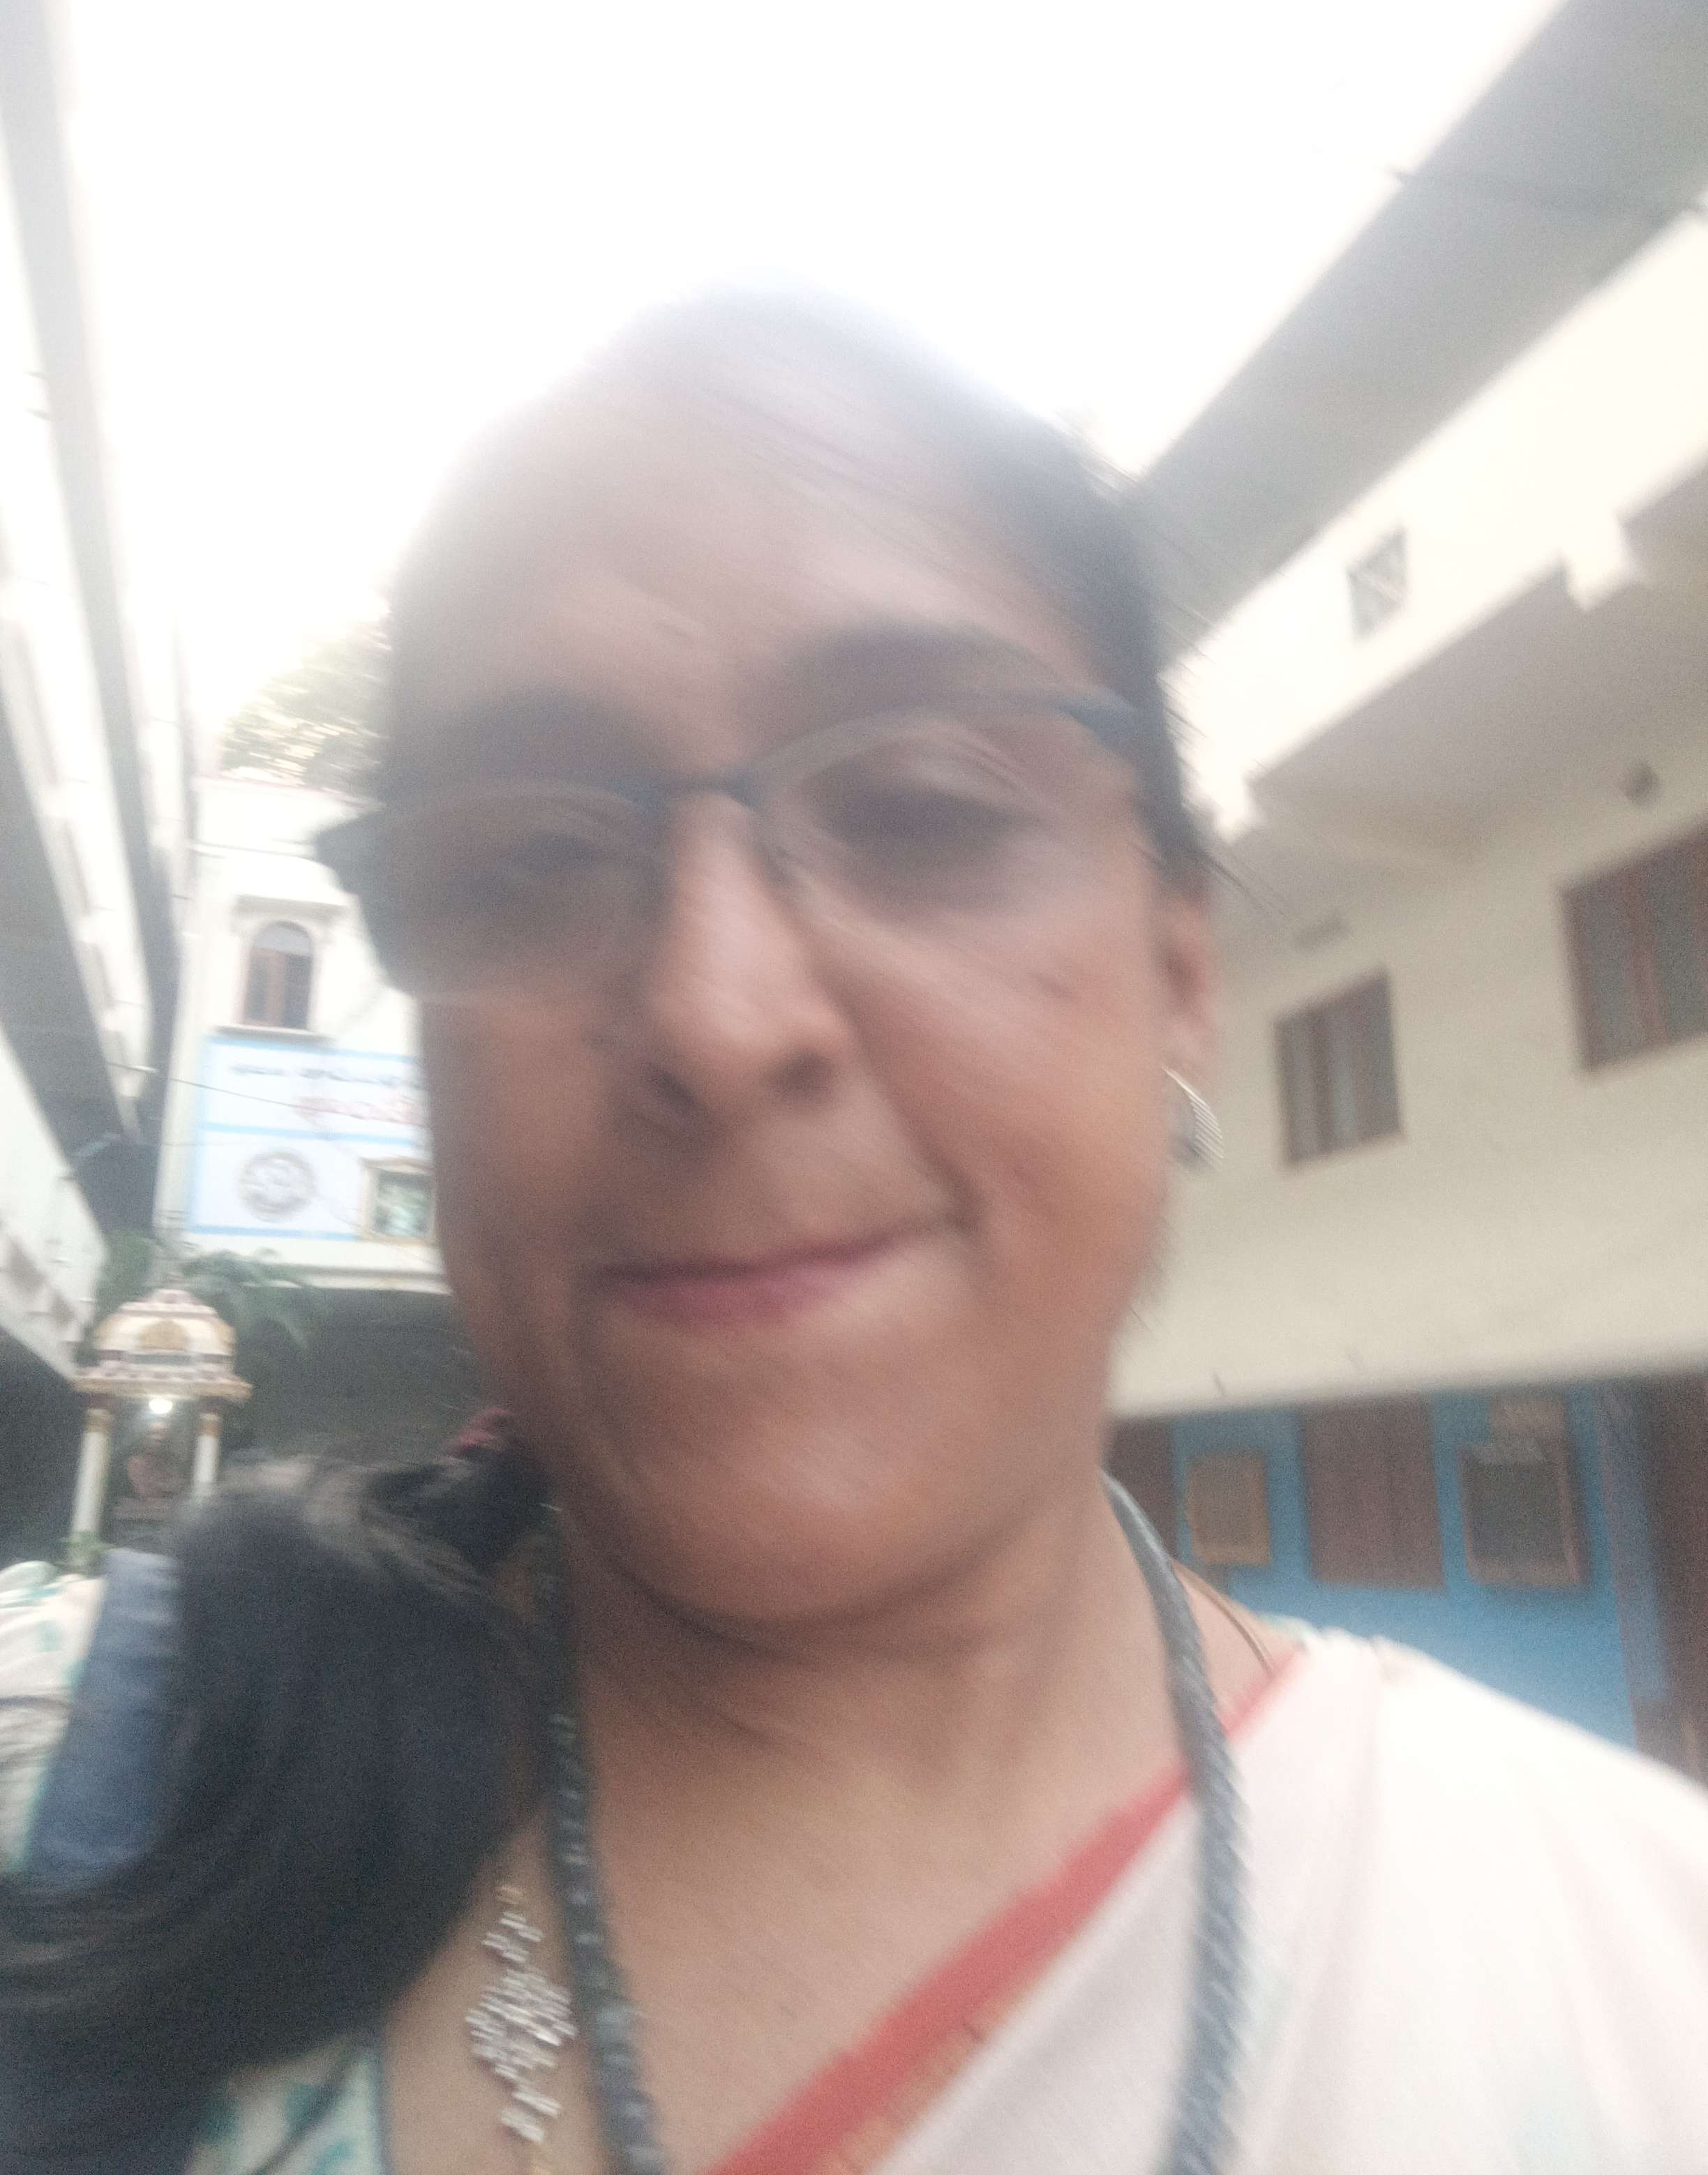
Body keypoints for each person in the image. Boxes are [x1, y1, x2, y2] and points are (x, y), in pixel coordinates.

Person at [3, 292, 1707, 2175]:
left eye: (921, 806)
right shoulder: (79, 1791)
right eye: (529, 860)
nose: (718, 1016)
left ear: (1179, 968)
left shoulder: (1630, 1992)